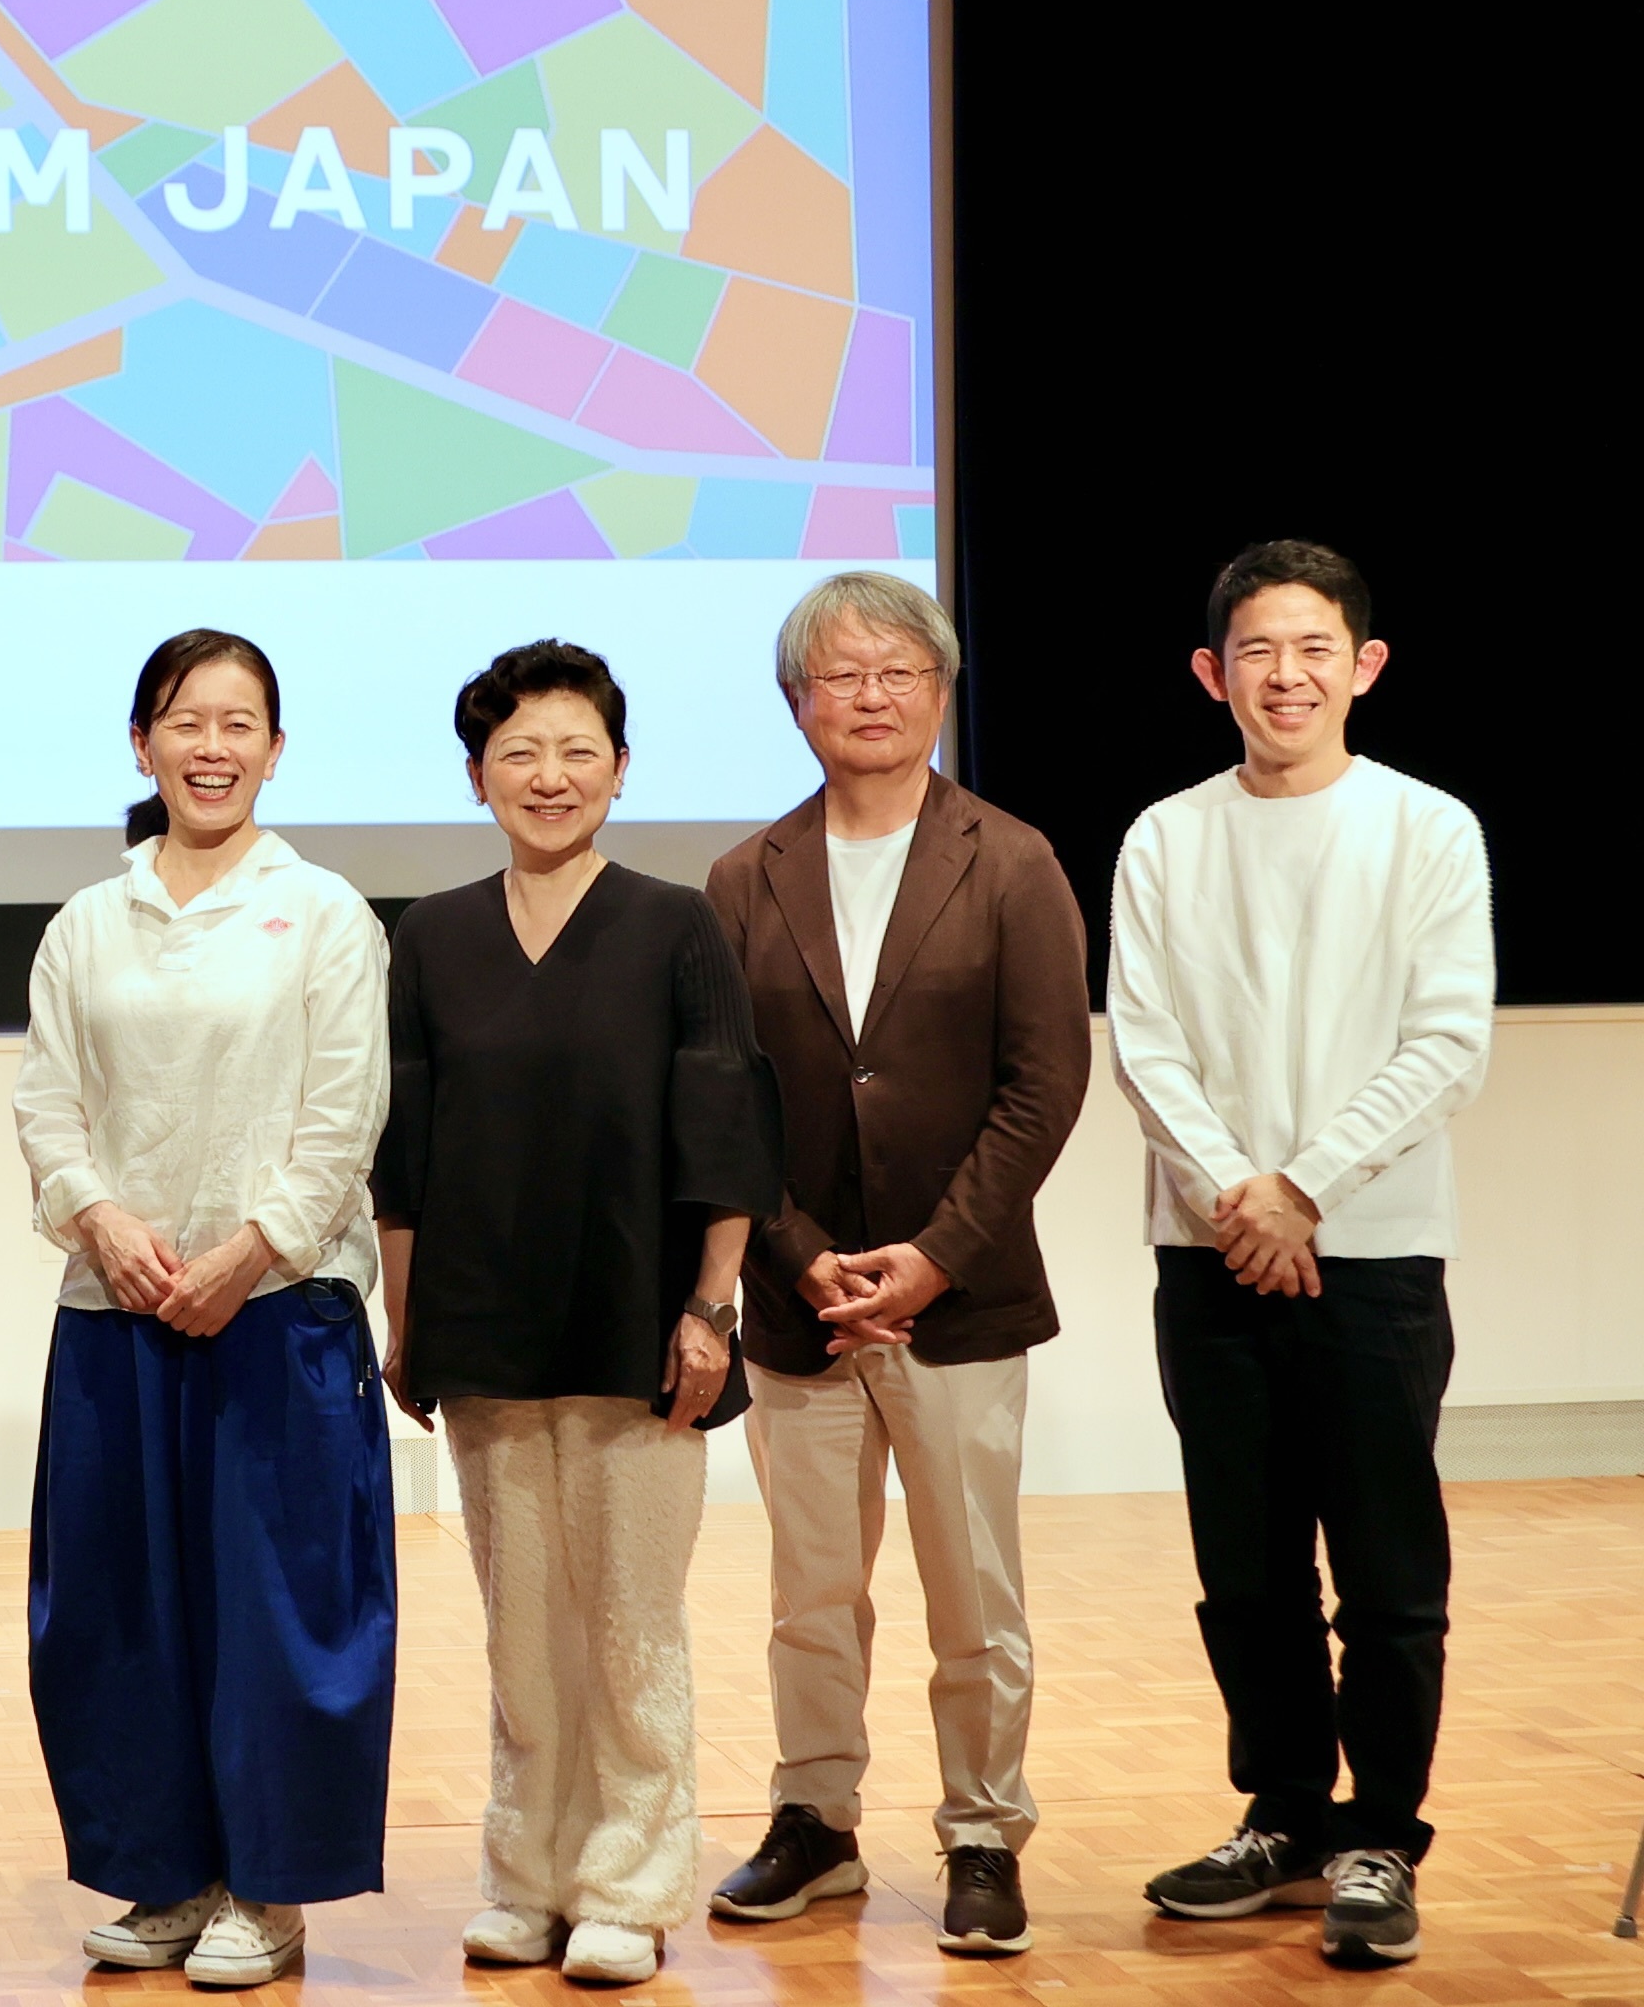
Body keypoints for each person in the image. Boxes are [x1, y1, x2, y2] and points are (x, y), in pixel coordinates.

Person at [373, 640, 781, 1990]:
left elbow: (726, 1126)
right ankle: (526, 1877)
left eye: (577, 751)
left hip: (640, 1328)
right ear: (477, 776)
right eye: (519, 754)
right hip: (485, 1331)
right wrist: (407, 1323)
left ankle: (628, 1887)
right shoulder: (431, 936)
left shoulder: (676, 924)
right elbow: (405, 1155)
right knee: (522, 1634)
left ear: (619, 769)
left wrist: (711, 1309)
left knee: (631, 1626)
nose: (549, 777)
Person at [698, 573, 1090, 1958]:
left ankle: (983, 1831)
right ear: (796, 702)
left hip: (960, 1301)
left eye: (897, 671)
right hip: (797, 1307)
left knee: (974, 1593)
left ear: (940, 689)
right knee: (811, 1592)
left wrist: (932, 1257)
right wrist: (801, 1256)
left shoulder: (1013, 860)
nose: (870, 696)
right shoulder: (744, 877)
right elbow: (725, 1097)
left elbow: (1044, 1085)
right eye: (840, 675)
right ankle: (816, 1820)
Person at [1112, 541, 1491, 1970]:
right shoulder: (1165, 837)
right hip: (1209, 1251)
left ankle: (1380, 1834)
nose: (1287, 676)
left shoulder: (1428, 828)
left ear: (1364, 666)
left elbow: (1447, 1041)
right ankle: (1280, 1814)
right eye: (1257, 651)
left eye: (1314, 648)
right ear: (1212, 674)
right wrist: (1240, 1195)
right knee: (1247, 1568)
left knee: (1388, 1571)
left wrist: (1305, 1189)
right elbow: (1144, 1044)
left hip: (1375, 1254)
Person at [12, 631, 393, 1988]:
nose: (212, 747)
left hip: (278, 1312)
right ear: (144, 744)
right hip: (114, 1307)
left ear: (275, 750)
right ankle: (167, 1876)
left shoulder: (327, 913)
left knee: (279, 1617)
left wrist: (250, 1251)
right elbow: (46, 1103)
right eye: (186, 721)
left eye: (240, 724)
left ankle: (270, 1892)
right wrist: (101, 1222)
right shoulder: (86, 923)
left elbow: (344, 1112)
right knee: (121, 1610)